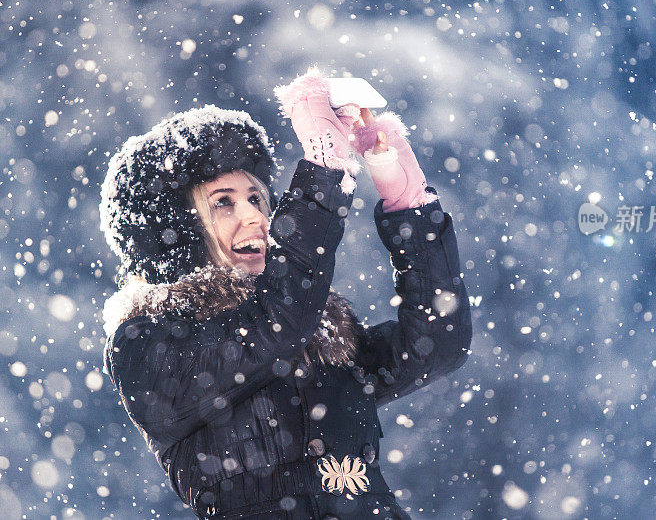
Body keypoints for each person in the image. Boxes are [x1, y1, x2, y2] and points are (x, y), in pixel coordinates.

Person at [99, 67, 473, 519]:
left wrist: (408, 202)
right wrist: (323, 171)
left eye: (257, 198)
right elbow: (277, 325)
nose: (255, 216)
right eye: (223, 201)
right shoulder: (146, 344)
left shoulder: (320, 333)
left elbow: (437, 345)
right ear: (176, 232)